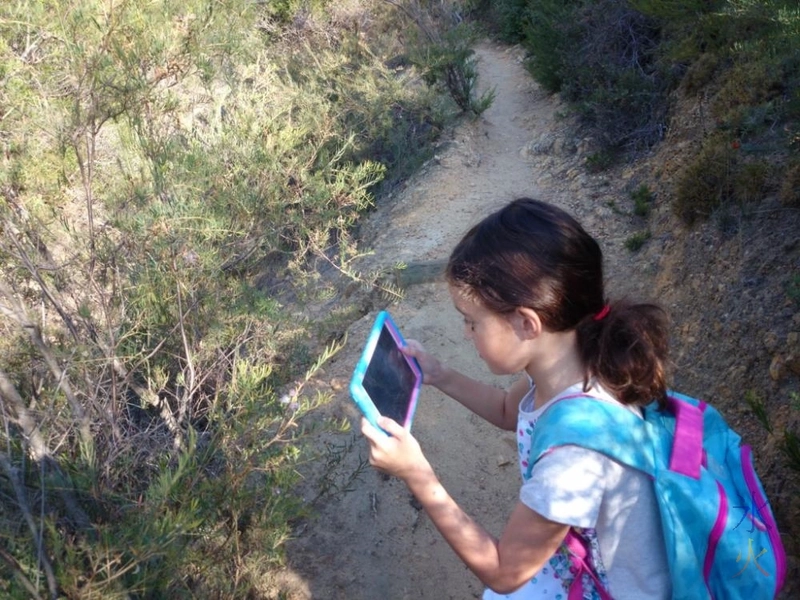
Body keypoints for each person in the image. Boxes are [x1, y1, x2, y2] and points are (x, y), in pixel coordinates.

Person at [360, 198, 672, 599]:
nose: (466, 333)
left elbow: (505, 572)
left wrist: (416, 474)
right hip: (582, 561)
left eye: (472, 321)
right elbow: (510, 411)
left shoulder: (574, 455)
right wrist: (441, 375)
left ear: (527, 323)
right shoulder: (575, 359)